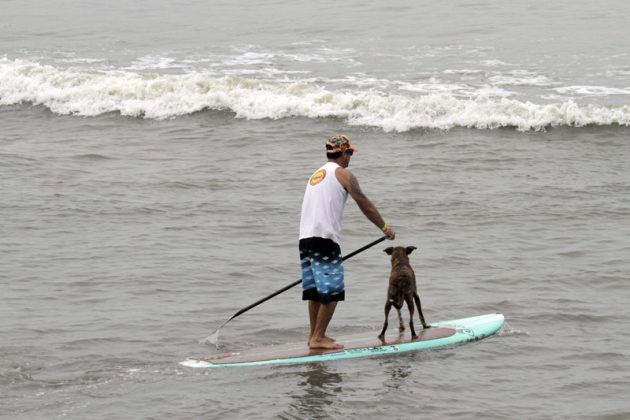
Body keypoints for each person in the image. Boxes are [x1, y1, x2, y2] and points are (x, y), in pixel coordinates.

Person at [299, 134, 395, 349]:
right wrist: (384, 227)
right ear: (343, 153)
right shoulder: (343, 174)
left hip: (305, 238)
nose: (351, 156)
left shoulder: (317, 174)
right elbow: (363, 202)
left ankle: (314, 336)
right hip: (324, 238)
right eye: (350, 152)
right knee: (332, 290)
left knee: (315, 292)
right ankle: (318, 338)